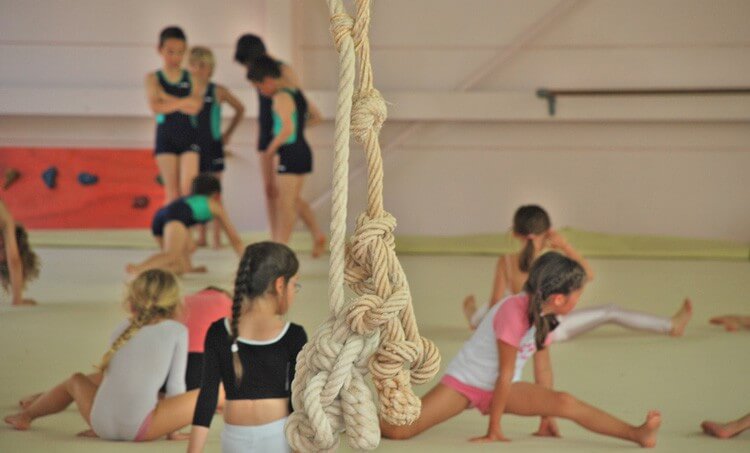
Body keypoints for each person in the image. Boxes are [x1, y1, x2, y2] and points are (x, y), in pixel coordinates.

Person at [381, 252, 662, 448]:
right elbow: (503, 373)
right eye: (578, 295)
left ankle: (637, 434)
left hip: (503, 389)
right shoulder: (513, 312)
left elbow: (543, 368)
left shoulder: (548, 315)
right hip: (465, 384)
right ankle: (352, 412)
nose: (580, 300)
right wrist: (494, 429)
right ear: (559, 298)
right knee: (400, 430)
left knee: (564, 401)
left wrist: (546, 416)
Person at [5, 270, 200, 441]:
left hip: (100, 423)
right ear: (175, 304)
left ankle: (27, 415)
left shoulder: (122, 328)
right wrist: (173, 431)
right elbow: (176, 386)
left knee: (75, 380)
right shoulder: (177, 331)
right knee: (210, 393)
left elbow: (112, 380)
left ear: (132, 301)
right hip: (142, 428)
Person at [462, 205, 692, 340]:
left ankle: (474, 317)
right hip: (549, 329)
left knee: (502, 302)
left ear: (514, 234)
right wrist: (565, 246)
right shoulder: (551, 259)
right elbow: (588, 275)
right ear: (549, 232)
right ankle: (670, 326)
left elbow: (494, 304)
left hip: (519, 326)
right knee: (610, 311)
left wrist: (492, 331)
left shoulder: (506, 262)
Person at [187, 242, 307, 453]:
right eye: (294, 285)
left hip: (270, 438)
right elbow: (207, 397)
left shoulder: (218, 331)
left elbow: (299, 402)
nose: (294, 292)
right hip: (250, 440)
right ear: (280, 285)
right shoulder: (294, 335)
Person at [234, 34, 326, 256]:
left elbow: (299, 110)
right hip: (273, 136)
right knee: (278, 193)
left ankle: (279, 244)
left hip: (282, 142)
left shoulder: (282, 84)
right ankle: (280, 239)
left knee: (285, 199)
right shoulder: (266, 79)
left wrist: (284, 137)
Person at [126, 174, 244, 276]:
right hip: (174, 220)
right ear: (216, 194)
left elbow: (185, 222)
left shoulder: (188, 199)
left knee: (178, 267)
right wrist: (246, 261)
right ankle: (139, 269)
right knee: (171, 255)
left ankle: (154, 270)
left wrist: (190, 267)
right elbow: (234, 239)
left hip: (159, 218)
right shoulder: (214, 205)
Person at [187, 46, 245, 248]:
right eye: (198, 66)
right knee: (196, 192)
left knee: (215, 192)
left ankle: (217, 237)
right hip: (193, 148)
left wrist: (227, 134)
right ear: (190, 67)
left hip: (213, 146)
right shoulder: (185, 92)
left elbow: (240, 108)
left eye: (207, 66)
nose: (203, 70)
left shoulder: (218, 91)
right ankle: (201, 236)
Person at [144, 26, 203, 204]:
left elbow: (196, 107)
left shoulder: (192, 78)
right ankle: (169, 232)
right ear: (159, 49)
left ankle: (185, 232)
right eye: (170, 52)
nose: (176, 58)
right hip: (165, 137)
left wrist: (165, 97)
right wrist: (183, 102)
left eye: (180, 53)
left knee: (188, 190)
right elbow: (156, 107)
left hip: (189, 137)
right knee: (172, 193)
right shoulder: (153, 78)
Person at [0, 199, 39, 306]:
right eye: (3, 247)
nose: (1, 243)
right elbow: (14, 260)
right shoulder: (6, 222)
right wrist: (17, 299)